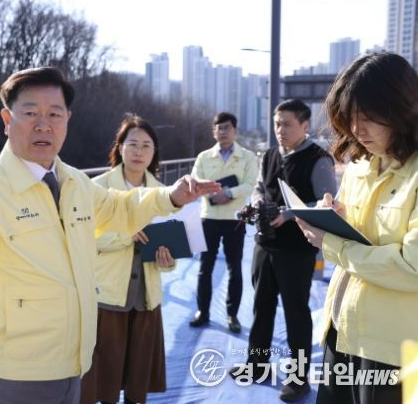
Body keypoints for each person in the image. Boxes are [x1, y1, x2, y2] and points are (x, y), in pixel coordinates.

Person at [0, 67, 220, 404]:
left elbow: (118, 209)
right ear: (6, 119)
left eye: (54, 114)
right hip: (15, 375)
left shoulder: (75, 183)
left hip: (75, 365)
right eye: (30, 113)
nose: (43, 124)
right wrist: (1, 336)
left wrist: (171, 196)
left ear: (67, 120)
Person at [297, 51, 418, 404]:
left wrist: (332, 244)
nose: (356, 130)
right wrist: (333, 217)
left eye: (367, 117)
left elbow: (412, 267)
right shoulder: (360, 166)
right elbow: (359, 234)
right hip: (341, 331)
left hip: (394, 350)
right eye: (349, 117)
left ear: (403, 108)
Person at [231, 99, 336, 402]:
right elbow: (260, 187)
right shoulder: (270, 155)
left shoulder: (319, 160)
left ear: (305, 125)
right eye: (277, 124)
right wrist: (256, 202)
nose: (280, 130)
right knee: (261, 306)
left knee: (296, 313)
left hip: (297, 250)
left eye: (287, 124)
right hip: (265, 244)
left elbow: (327, 202)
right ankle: (257, 365)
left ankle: (298, 379)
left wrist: (288, 214)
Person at [80, 114, 174, 404]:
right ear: (119, 147)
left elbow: (170, 245)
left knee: (137, 374)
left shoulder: (163, 192)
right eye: (132, 144)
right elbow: (84, 238)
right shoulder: (97, 187)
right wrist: (125, 234)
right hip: (107, 294)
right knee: (102, 375)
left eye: (146, 146)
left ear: (154, 152)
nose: (138, 151)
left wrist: (167, 261)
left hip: (145, 296)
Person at [189, 112, 258, 333]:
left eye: (227, 127)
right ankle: (202, 312)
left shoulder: (247, 157)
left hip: (234, 219)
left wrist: (228, 193)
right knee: (204, 268)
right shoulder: (203, 157)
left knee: (234, 268)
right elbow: (195, 181)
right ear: (214, 132)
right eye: (219, 128)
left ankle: (232, 315)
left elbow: (251, 184)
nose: (223, 132)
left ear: (235, 131)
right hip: (208, 218)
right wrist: (212, 194)